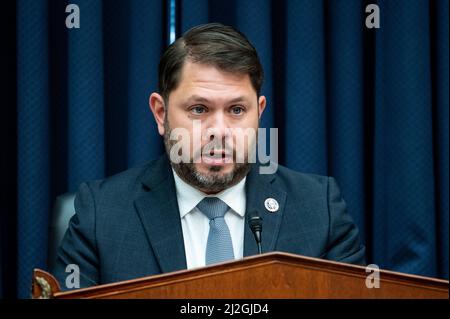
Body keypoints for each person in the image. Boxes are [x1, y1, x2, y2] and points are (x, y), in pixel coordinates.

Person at [53, 23, 365, 289]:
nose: (219, 130)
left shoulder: (319, 208)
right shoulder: (102, 215)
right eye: (199, 109)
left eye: (237, 110)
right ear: (161, 114)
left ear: (259, 113)